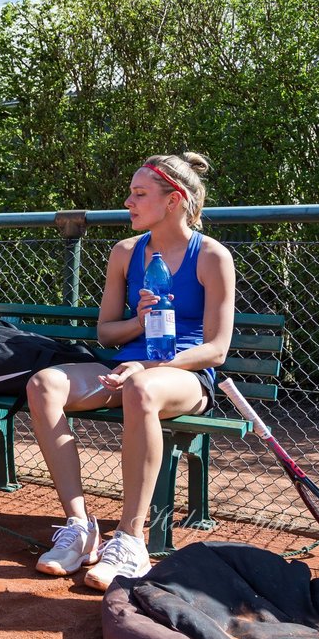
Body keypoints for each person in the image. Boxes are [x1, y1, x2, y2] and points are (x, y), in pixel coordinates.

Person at [27, 152, 235, 590]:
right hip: (126, 369)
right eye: (131, 194)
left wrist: (146, 365)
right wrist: (139, 324)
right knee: (44, 383)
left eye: (139, 194)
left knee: (141, 387)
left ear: (174, 200)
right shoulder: (125, 253)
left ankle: (131, 540)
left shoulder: (212, 256)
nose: (128, 202)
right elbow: (106, 334)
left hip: (183, 377)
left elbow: (215, 350)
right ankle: (81, 528)